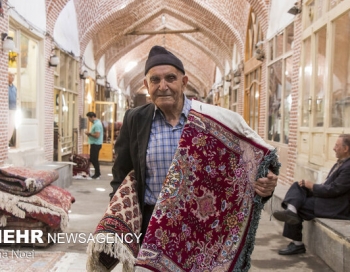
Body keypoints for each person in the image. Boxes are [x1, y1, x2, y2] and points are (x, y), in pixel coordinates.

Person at [110, 45, 278, 243]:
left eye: (170, 78)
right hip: (150, 224)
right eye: (155, 80)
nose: (163, 86)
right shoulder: (135, 119)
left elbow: (246, 166)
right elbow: (121, 174)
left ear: (184, 82)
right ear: (147, 86)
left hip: (201, 227)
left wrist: (265, 184)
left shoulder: (210, 119)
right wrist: (117, 220)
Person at [273, 134, 350, 255]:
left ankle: (297, 243)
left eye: (336, 145)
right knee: (298, 185)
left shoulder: (348, 167)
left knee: (298, 205)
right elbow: (329, 186)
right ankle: (291, 211)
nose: (334, 148)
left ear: (346, 149)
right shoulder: (340, 164)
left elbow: (335, 189)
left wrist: (313, 186)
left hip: (335, 206)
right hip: (328, 199)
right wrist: (310, 186)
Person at [85, 112, 103, 179]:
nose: (89, 119)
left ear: (92, 117)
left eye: (89, 118)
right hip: (94, 143)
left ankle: (97, 173)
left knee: (94, 159)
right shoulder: (95, 124)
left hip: (96, 144)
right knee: (93, 159)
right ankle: (97, 173)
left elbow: (97, 135)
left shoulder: (97, 124)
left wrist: (89, 134)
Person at [8, 72, 17, 146]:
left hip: (13, 110)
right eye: (11, 75)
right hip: (6, 110)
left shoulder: (15, 88)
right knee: (6, 126)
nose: (12, 77)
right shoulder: (4, 87)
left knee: (11, 126)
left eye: (13, 75)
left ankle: (8, 141)